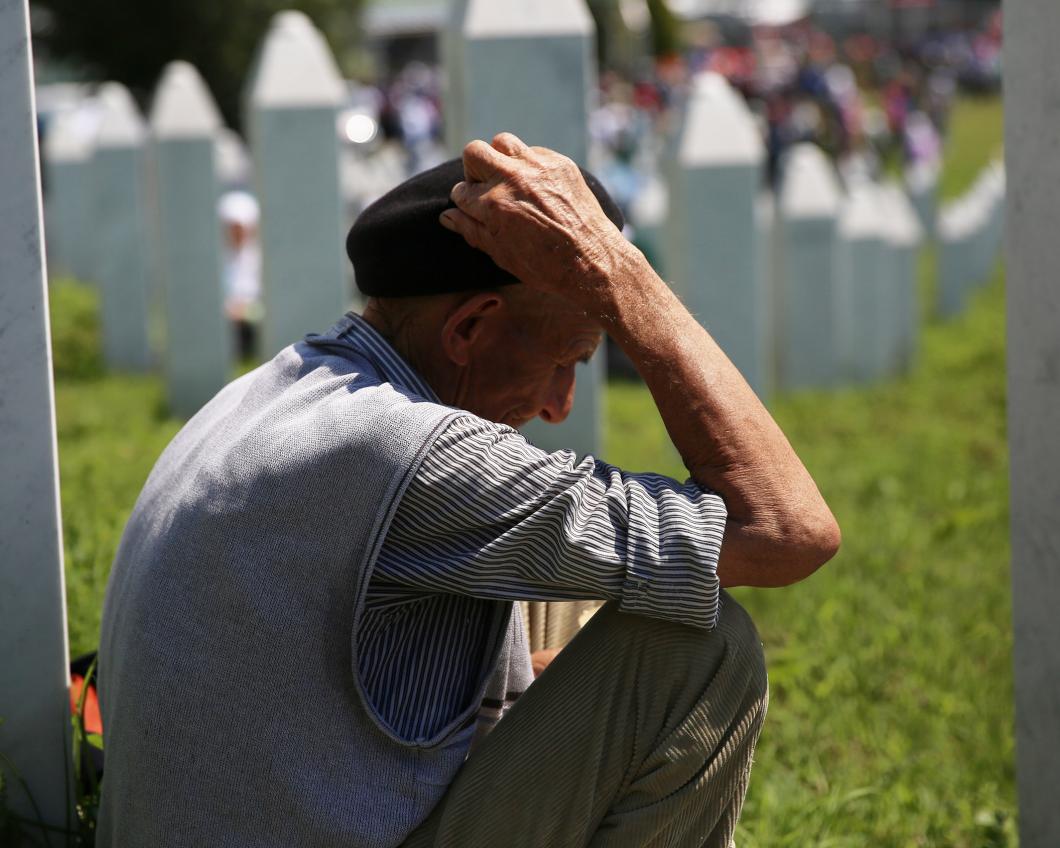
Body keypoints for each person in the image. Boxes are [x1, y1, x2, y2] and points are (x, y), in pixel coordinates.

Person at [97, 133, 839, 847]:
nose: (560, 405)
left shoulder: (288, 386)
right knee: (698, 648)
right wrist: (621, 277)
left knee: (586, 590)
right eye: (567, 359)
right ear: (472, 327)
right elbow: (787, 529)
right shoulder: (415, 454)